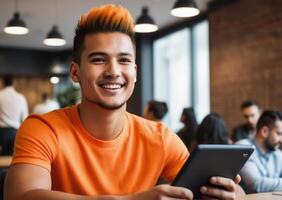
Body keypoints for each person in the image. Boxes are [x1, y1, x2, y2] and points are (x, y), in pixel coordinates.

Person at [5, 4, 244, 200]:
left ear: (135, 72)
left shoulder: (159, 137)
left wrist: (229, 193)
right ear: (75, 72)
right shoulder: (43, 128)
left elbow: (235, 194)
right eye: (99, 59)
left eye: (124, 60)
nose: (113, 71)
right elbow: (21, 196)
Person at [237, 110, 282, 193]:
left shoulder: (278, 154)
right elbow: (257, 185)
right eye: (279, 134)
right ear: (264, 131)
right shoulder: (243, 148)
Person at [0, 75, 28, 155]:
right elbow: (25, 118)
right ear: (14, 83)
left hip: (1, 132)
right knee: (13, 157)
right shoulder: (21, 98)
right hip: (15, 133)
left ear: (2, 83)